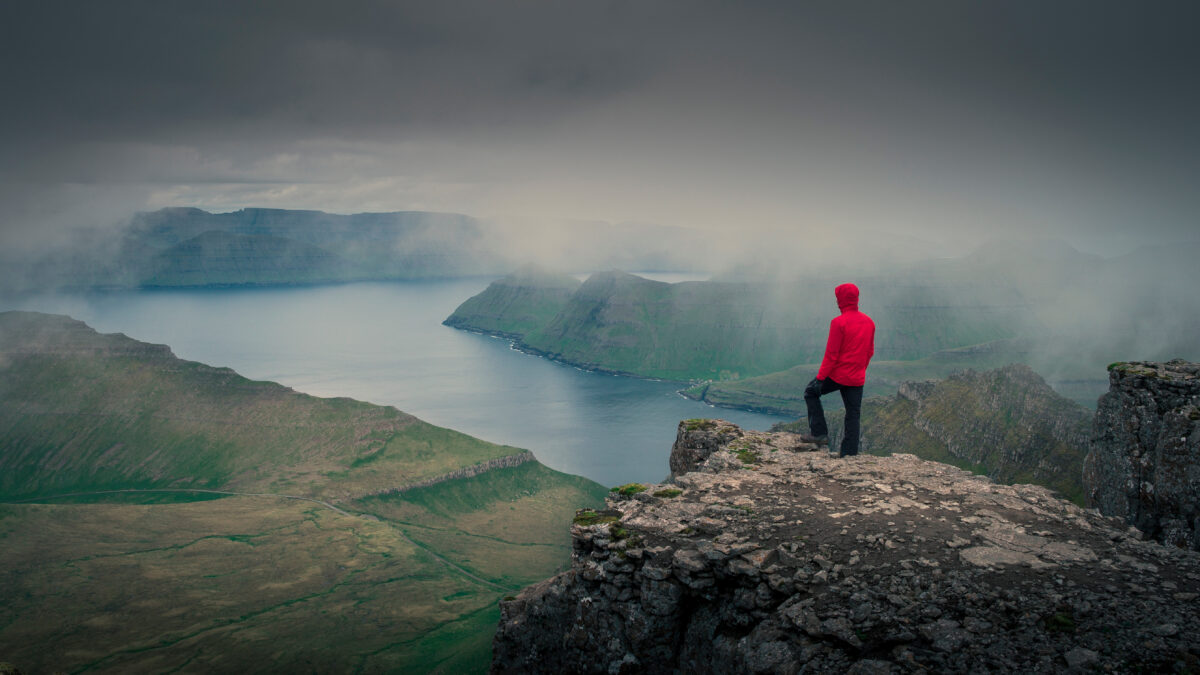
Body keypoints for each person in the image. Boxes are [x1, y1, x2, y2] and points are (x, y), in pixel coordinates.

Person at [803, 283, 875, 457]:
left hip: (838, 375)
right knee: (853, 414)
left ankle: (819, 434)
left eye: (838, 298)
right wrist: (860, 369)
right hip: (857, 377)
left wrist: (820, 379)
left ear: (842, 299)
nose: (837, 302)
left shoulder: (838, 323)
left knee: (810, 393)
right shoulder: (869, 322)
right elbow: (870, 351)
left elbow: (831, 355)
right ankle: (849, 453)